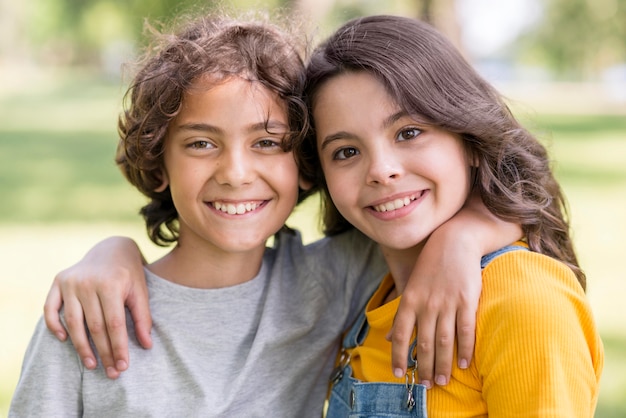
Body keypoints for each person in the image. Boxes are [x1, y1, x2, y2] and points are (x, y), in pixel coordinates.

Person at [13, 12, 518, 418]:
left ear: (303, 165)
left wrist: (461, 240)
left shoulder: (333, 280)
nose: (235, 172)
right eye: (201, 143)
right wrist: (111, 253)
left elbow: (494, 204)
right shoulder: (88, 314)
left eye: (266, 143)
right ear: (158, 161)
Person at [295, 15, 604, 417]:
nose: (381, 169)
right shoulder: (360, 286)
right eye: (346, 152)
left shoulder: (524, 300)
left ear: (470, 139)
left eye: (408, 132)